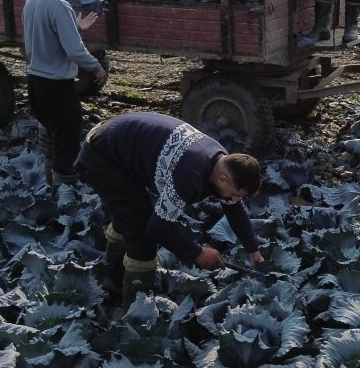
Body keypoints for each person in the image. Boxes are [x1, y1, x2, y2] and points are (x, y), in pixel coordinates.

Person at [74, 112, 265, 302]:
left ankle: (114, 280)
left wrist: (253, 250)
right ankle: (132, 305)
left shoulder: (223, 162)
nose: (234, 199)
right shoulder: (190, 176)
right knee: (140, 231)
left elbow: (234, 208)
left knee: (130, 214)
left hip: (120, 143)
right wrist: (197, 253)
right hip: (102, 155)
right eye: (235, 194)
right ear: (222, 180)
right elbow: (158, 228)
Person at [23, 0, 107, 186]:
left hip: (35, 81)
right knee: (67, 140)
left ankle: (50, 185)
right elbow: (74, 50)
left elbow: (32, 47)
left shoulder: (30, 4)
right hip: (57, 86)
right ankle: (64, 196)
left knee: (50, 135)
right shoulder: (60, 7)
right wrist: (97, 68)